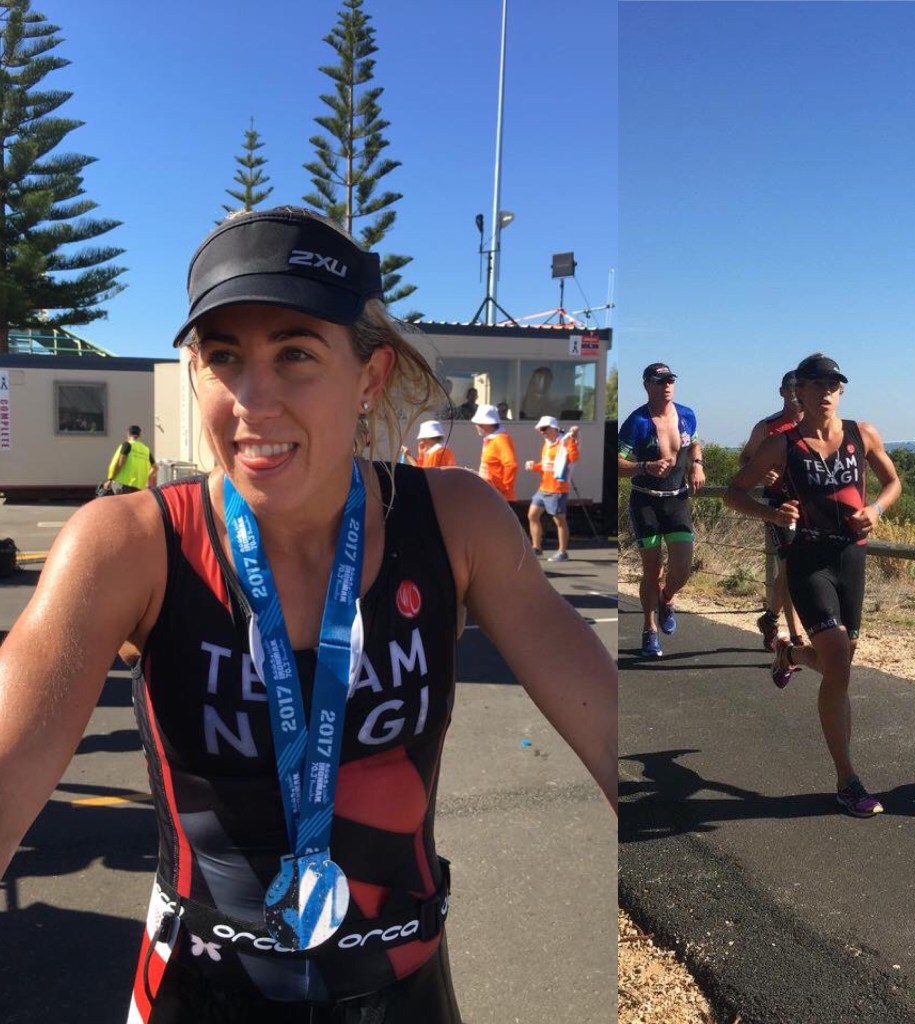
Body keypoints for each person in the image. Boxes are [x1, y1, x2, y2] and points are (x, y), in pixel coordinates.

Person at [0, 207, 615, 1022]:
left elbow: (610, 723)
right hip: (195, 993)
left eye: (296, 354)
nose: (254, 402)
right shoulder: (129, 546)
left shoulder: (455, 522)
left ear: (369, 376)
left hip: (404, 991)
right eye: (225, 357)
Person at [724, 353, 901, 818]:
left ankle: (790, 654)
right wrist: (772, 512)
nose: (826, 392)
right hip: (809, 559)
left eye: (834, 384)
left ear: (841, 391)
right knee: (838, 662)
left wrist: (876, 510)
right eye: (817, 383)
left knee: (839, 662)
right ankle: (847, 780)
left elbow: (893, 482)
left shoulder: (863, 434)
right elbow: (734, 493)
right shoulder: (783, 443)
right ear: (798, 390)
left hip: (852, 558)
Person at [617, 362, 705, 658]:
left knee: (682, 569)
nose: (667, 386)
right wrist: (645, 466)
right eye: (660, 381)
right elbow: (615, 463)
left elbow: (694, 443)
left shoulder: (687, 415)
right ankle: (649, 629)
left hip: (677, 500)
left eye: (670, 381)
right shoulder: (637, 421)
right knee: (651, 569)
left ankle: (667, 597)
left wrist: (697, 464)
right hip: (646, 502)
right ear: (647, 385)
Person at [739, 370, 806, 650]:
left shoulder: (816, 425)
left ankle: (770, 618)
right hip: (778, 505)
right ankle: (796, 639)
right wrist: (762, 472)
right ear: (781, 392)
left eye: (800, 386)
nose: (795, 392)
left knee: (794, 569)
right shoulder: (768, 427)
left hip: (810, 505)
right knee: (791, 567)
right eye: (790, 387)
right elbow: (745, 459)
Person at [525, 415, 579, 562]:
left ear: (553, 428)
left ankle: (562, 552)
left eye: (544, 429)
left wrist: (573, 438)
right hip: (543, 488)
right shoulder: (547, 444)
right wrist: (534, 467)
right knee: (532, 515)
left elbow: (574, 457)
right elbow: (546, 466)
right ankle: (536, 547)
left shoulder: (564, 442)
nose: (541, 432)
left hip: (557, 489)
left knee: (559, 520)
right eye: (540, 429)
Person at [470, 403, 518, 500]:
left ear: (487, 424)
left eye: (479, 424)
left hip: (500, 497)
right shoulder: (490, 439)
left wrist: (504, 488)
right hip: (489, 492)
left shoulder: (501, 439)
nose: (476, 426)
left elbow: (511, 464)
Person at [100, 424, 157, 495]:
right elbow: (155, 468)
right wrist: (146, 477)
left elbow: (120, 463)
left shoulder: (127, 445)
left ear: (128, 434)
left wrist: (110, 479)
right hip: (139, 486)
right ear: (139, 435)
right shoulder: (146, 450)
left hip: (123, 484)